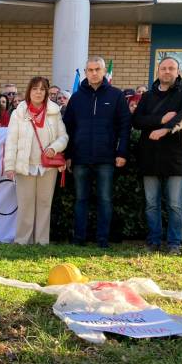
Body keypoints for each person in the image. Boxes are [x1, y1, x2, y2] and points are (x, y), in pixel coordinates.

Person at [63, 56, 131, 248]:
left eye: (97, 69)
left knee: (105, 200)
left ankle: (102, 240)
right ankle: (79, 239)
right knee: (80, 200)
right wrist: (68, 155)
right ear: (85, 73)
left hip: (106, 159)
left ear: (103, 72)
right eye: (90, 70)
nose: (93, 73)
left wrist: (122, 152)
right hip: (80, 158)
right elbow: (68, 128)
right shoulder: (76, 98)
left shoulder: (116, 96)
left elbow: (125, 127)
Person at [132, 57, 182, 254]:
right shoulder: (147, 96)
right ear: (158, 71)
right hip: (149, 156)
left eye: (172, 68)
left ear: (178, 72)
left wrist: (166, 129)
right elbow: (137, 120)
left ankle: (174, 244)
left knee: (175, 204)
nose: (167, 71)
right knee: (151, 204)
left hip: (176, 156)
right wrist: (161, 118)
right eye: (164, 68)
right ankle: (153, 242)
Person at [4, 77, 68, 245]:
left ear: (47, 92)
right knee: (25, 205)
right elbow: (11, 141)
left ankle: (41, 241)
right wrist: (9, 166)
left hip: (48, 167)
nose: (38, 92)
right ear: (29, 91)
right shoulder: (18, 113)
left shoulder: (54, 113)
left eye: (42, 89)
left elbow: (64, 137)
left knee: (45, 204)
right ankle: (22, 240)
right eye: (34, 89)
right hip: (25, 166)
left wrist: (54, 148)